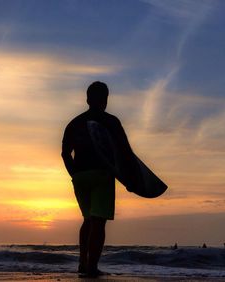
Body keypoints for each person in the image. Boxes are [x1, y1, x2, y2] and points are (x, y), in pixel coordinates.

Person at [61, 81, 136, 278]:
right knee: (98, 222)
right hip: (102, 175)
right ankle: (92, 267)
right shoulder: (111, 121)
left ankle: (82, 263)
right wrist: (130, 179)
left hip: (80, 177)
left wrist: (74, 174)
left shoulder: (74, 123)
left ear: (87, 99)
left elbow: (64, 153)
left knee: (88, 220)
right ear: (105, 100)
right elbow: (125, 153)